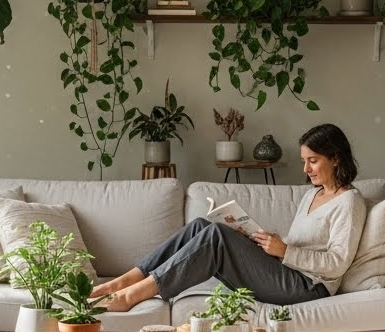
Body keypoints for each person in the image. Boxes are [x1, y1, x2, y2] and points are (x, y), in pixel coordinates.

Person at [91, 123, 367, 312]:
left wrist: (286, 251)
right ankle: (122, 281)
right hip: (289, 271)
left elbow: (337, 263)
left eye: (313, 160)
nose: (306, 168)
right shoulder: (312, 194)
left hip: (309, 287)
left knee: (216, 236)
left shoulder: (349, 202)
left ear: (336, 159)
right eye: (304, 160)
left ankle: (129, 297)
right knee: (200, 225)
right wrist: (267, 241)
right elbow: (301, 244)